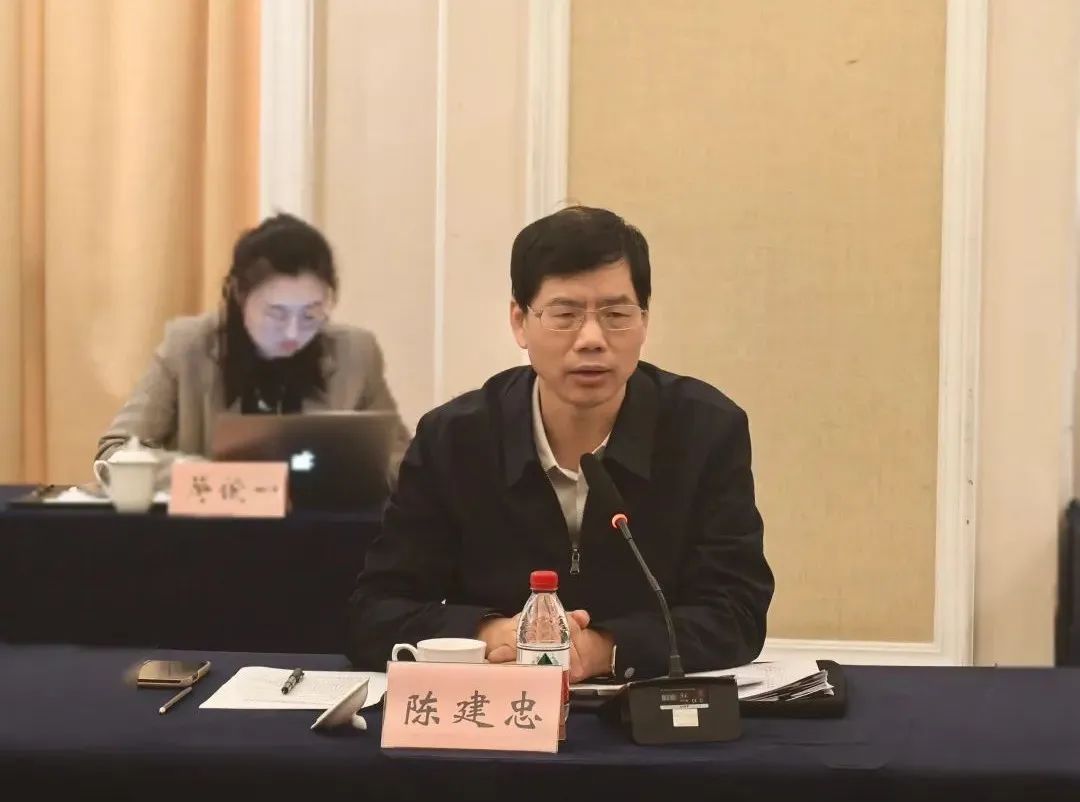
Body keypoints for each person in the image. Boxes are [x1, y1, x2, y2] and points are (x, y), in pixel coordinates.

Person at [346, 206, 773, 682]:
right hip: (499, 707)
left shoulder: (705, 430)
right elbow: (375, 612)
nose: (591, 339)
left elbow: (736, 612)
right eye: (564, 315)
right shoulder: (455, 439)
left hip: (643, 708)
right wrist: (492, 635)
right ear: (519, 322)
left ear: (644, 321)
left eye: (616, 315)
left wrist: (601, 649)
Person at [96, 213, 410, 480]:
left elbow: (404, 464)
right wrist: (216, 476)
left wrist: (350, 473)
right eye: (276, 313)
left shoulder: (356, 353)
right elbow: (116, 453)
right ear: (239, 295)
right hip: (211, 525)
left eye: (310, 314)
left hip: (322, 526)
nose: (293, 331)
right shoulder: (188, 346)